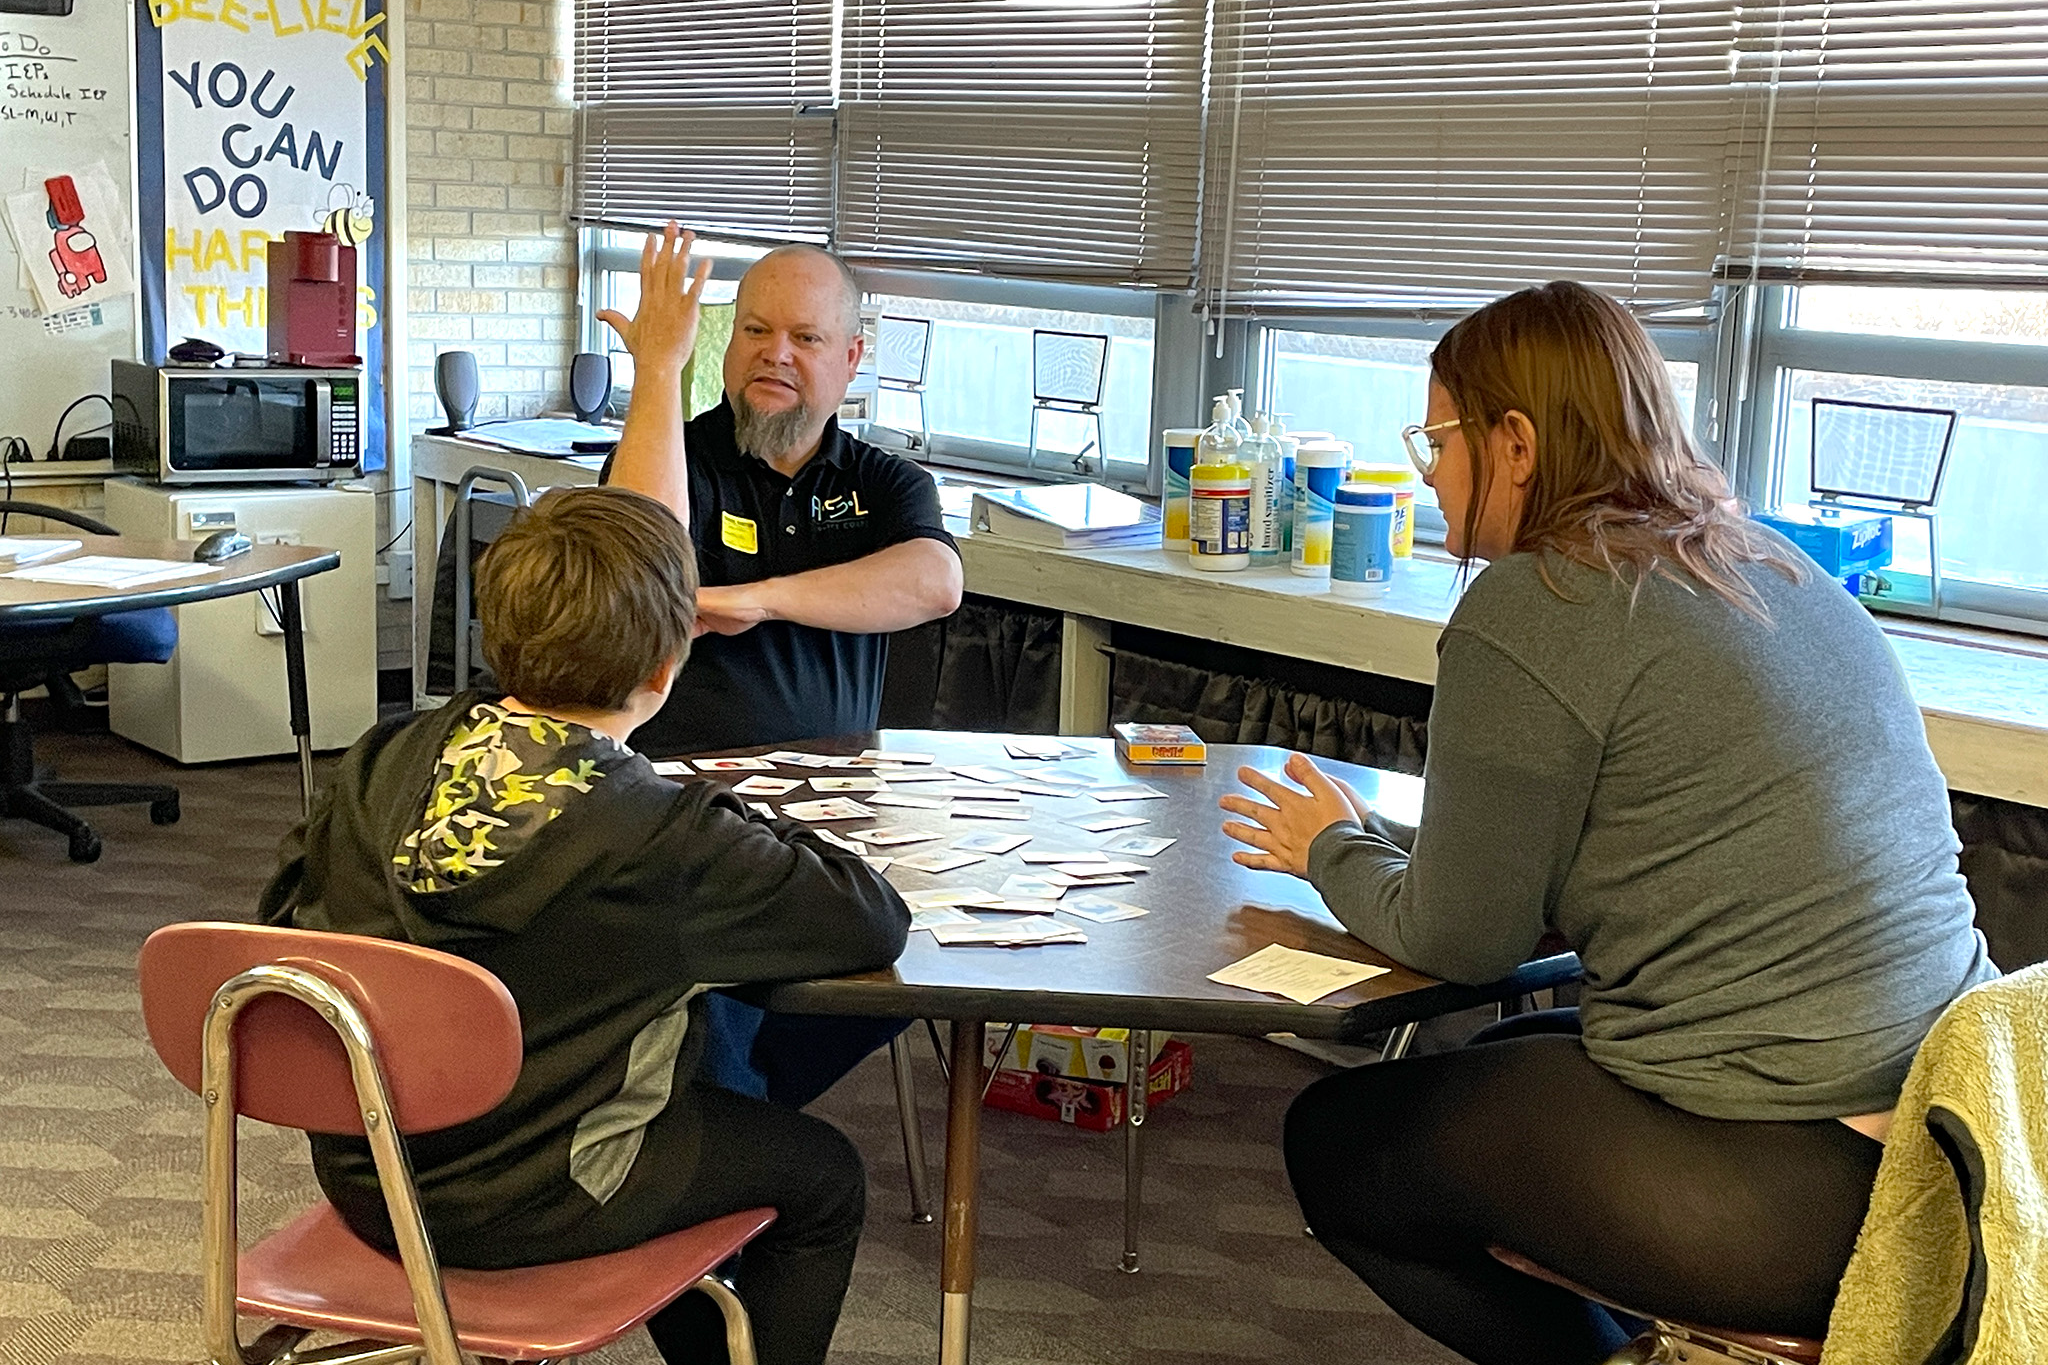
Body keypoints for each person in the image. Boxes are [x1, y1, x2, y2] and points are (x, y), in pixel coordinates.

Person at [1217, 281, 1997, 1365]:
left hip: (1803, 1192)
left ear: (1516, 442)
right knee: (1523, 1047)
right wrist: (1394, 853)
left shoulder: (1541, 600)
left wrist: (1327, 849)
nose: (1427, 470)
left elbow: (1461, 940)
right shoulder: (1760, 563)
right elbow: (1633, 847)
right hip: (1953, 1135)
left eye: (1435, 437)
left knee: (1343, 1143)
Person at [259, 484, 909, 1365]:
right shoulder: (664, 835)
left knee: (699, 1092)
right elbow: (870, 918)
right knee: (822, 1173)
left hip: (369, 1172)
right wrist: (726, 805)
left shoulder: (385, 754)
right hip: (546, 1191)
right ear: (666, 666)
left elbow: (282, 918)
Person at [598, 224, 964, 758]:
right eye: (755, 331)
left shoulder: (886, 482)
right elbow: (639, 571)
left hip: (835, 798)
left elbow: (936, 583)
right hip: (679, 794)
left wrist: (758, 601)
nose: (776, 354)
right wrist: (657, 366)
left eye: (806, 337)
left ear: (851, 358)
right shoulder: (672, 459)